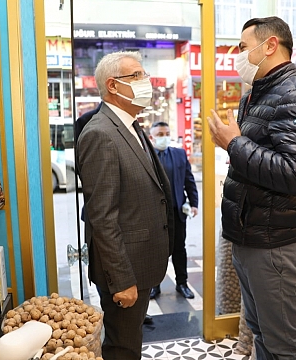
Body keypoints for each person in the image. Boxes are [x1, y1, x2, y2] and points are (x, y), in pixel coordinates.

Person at [207, 16, 296, 360]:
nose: (238, 55)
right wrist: (236, 146)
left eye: (243, 48)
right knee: (261, 332)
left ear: (270, 46)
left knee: (281, 343)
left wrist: (234, 145)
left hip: (274, 244)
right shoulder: (256, 96)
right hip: (251, 236)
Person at [77, 51, 174, 360]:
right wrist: (121, 280)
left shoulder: (131, 125)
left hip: (142, 261)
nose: (145, 81)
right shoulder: (100, 134)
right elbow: (102, 216)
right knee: (122, 348)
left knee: (131, 342)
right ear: (113, 86)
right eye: (137, 76)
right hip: (124, 269)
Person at [148, 122, 199, 300]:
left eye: (167, 133)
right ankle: (154, 286)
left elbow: (189, 180)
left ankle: (182, 283)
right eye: (160, 134)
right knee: (155, 251)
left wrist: (194, 203)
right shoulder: (146, 155)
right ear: (151, 137)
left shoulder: (178, 154)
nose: (164, 137)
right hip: (154, 214)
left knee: (179, 249)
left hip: (176, 211)